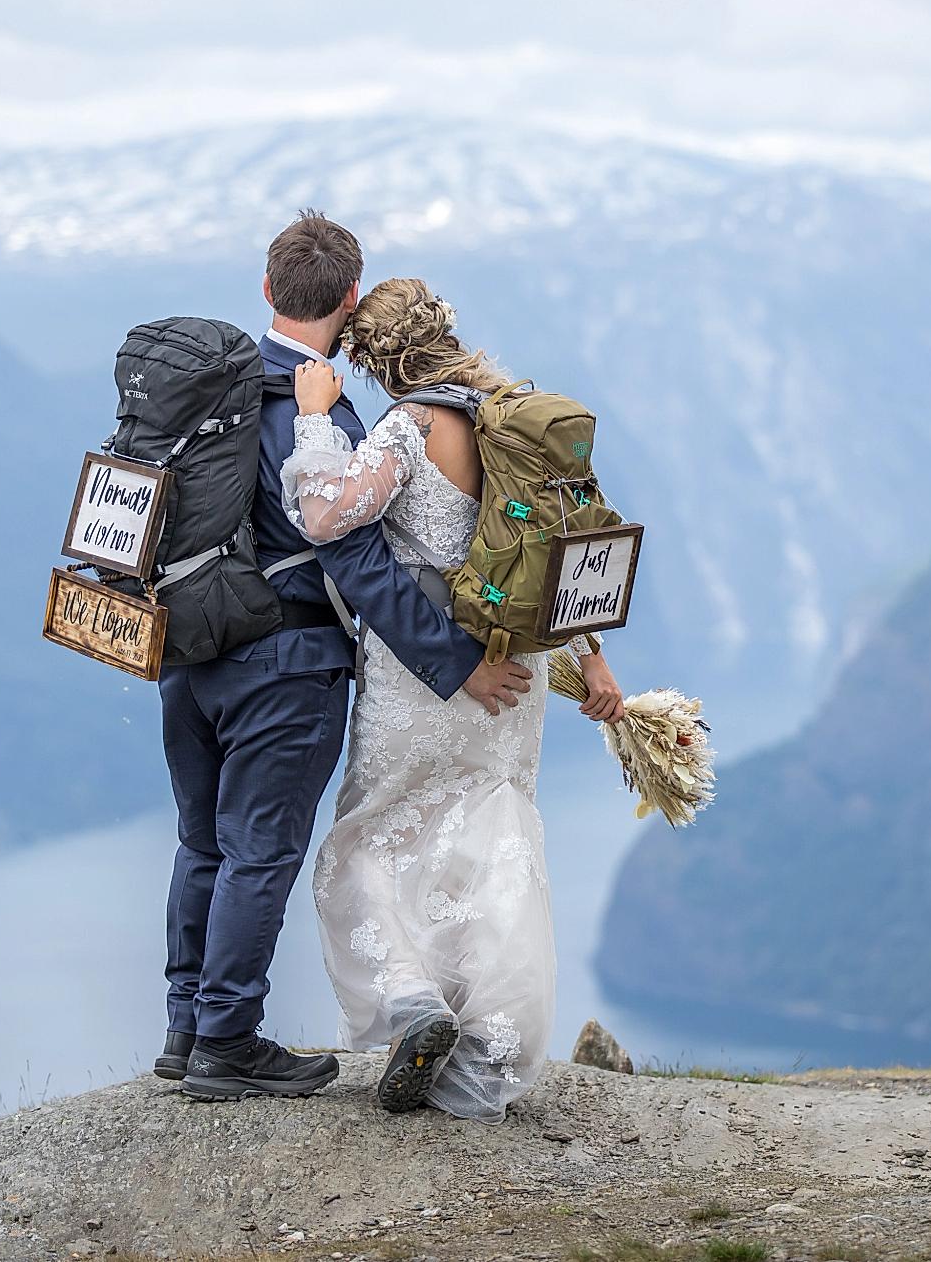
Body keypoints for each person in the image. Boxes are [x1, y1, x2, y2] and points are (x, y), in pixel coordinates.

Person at [160, 216, 535, 1102]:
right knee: (263, 849)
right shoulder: (313, 405)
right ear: (349, 299)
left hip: (188, 651)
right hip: (283, 664)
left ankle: (185, 1026)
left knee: (201, 841)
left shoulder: (213, 391)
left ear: (265, 290)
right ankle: (228, 1042)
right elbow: (352, 556)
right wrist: (453, 659)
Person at [281, 276, 626, 1122]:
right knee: (487, 840)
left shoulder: (410, 425)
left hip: (422, 672)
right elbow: (555, 546)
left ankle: (411, 1000)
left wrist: (316, 416)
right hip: (516, 676)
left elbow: (326, 515)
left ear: (371, 357)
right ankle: (485, 1052)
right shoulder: (514, 417)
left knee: (363, 843)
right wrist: (596, 660)